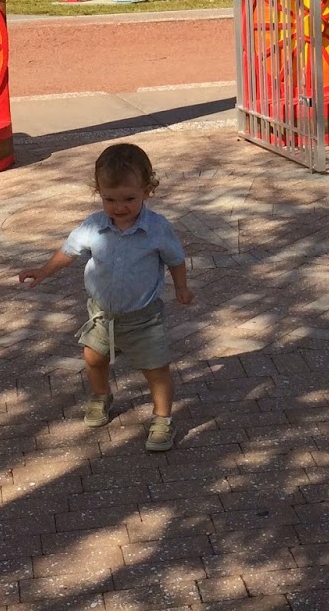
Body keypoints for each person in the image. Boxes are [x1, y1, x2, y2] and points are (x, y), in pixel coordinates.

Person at [17, 142, 194, 452]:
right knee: (93, 359)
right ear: (98, 192)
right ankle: (101, 396)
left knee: (156, 370)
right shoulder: (94, 226)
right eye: (109, 199)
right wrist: (43, 271)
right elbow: (69, 251)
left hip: (143, 319)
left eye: (129, 199)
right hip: (102, 315)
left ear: (147, 191)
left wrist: (181, 287)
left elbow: (175, 259)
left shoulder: (157, 229)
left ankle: (162, 418)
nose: (119, 207)